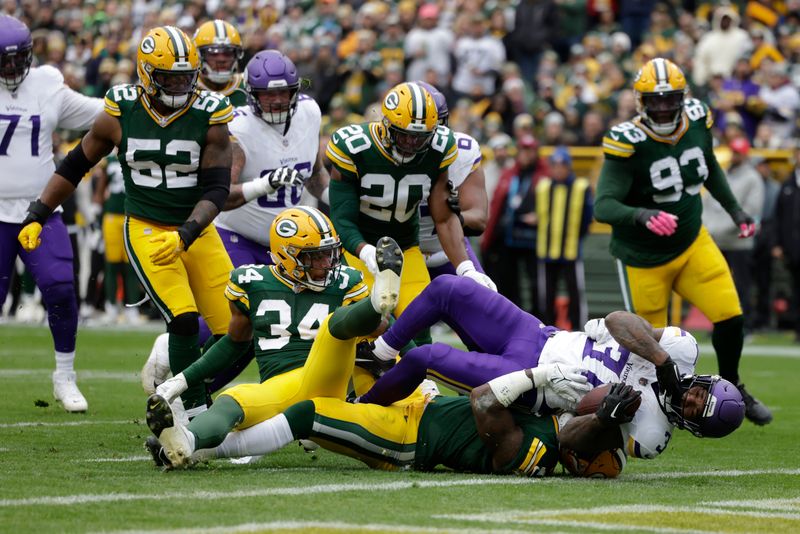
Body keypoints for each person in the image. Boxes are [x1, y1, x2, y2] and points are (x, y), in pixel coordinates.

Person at [18, 26, 240, 418]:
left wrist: (188, 232)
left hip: (196, 229)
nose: (179, 86)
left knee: (240, 329)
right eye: (169, 78)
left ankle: (177, 387)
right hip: (147, 229)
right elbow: (76, 165)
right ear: (146, 75)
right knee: (185, 320)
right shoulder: (122, 110)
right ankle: (192, 413)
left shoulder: (210, 112)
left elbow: (217, 189)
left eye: (186, 78)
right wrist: (37, 213)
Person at [354, 275, 746, 460]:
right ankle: (381, 354)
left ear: (693, 426)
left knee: (426, 357)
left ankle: (360, 409)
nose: (690, 397)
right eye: (700, 391)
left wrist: (604, 421)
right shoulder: (680, 351)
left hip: (530, 383)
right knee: (448, 288)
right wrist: (660, 363)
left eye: (694, 407)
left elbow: (571, 444)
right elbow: (617, 321)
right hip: (539, 335)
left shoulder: (651, 433)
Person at [144, 208, 404, 468]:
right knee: (232, 401)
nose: (327, 263)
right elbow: (234, 344)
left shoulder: (345, 281)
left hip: (330, 381)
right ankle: (187, 440)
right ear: (288, 256)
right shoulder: (253, 282)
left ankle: (375, 303)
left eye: (329, 253)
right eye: (316, 256)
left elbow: (384, 330)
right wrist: (182, 380)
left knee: (338, 325)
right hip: (279, 387)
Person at [593, 58, 772, 425]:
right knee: (652, 351)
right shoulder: (628, 140)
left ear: (682, 97)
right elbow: (603, 205)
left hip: (692, 243)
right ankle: (666, 407)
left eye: (668, 98)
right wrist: (641, 214)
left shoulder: (698, 118)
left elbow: (708, 166)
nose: (661, 108)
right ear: (641, 101)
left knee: (730, 317)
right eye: (653, 100)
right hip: (643, 259)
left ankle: (733, 384)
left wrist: (736, 211)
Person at [141, 50, 330, 395]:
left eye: (282, 92)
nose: (275, 101)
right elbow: (218, 193)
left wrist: (342, 207)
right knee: (237, 321)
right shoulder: (239, 126)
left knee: (262, 333)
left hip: (286, 245)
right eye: (267, 94)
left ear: (295, 91)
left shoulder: (309, 113)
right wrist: (265, 184)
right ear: (251, 95)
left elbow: (315, 175)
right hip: (235, 234)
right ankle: (172, 345)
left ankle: (193, 398)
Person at [156, 365, 562, 477]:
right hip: (416, 404)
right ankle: (190, 443)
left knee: (308, 414)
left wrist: (537, 374)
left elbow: (484, 400)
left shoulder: (537, 452)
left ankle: (196, 446)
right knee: (369, 362)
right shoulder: (549, 420)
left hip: (406, 439)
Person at [326, 82, 496, 335]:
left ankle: (421, 375)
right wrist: (365, 251)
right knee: (369, 328)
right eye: (403, 134)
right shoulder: (354, 146)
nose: (410, 143)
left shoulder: (441, 148)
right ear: (386, 125)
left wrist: (466, 269)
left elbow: (444, 217)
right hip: (358, 246)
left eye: (420, 137)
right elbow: (342, 218)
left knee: (419, 326)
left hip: (408, 247)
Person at [0, 15, 103, 412]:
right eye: (3, 61)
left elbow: (98, 114)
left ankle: (65, 376)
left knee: (60, 288)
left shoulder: (46, 84)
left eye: (16, 60)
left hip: (40, 211)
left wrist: (131, 104)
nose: (11, 69)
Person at [414, 81, 488, 279]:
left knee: (484, 303)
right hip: (397, 255)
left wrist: (455, 217)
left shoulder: (462, 151)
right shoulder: (375, 155)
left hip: (447, 253)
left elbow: (479, 219)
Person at [481, 135, 549, 314]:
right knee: (509, 283)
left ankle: (541, 320)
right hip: (509, 238)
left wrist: (541, 216)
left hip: (535, 240)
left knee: (537, 284)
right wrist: (488, 237)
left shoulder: (544, 175)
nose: (525, 154)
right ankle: (512, 318)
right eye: (523, 150)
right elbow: (497, 206)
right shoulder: (511, 174)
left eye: (529, 150)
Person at [702, 137, 763, 323]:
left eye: (738, 152)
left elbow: (752, 209)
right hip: (717, 240)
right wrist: (709, 227)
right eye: (733, 151)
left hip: (738, 241)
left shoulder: (752, 178)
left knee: (742, 285)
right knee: (719, 284)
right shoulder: (722, 173)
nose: (734, 155)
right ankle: (721, 322)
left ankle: (746, 324)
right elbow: (707, 202)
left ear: (745, 154)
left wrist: (718, 228)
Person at [535, 146, 593, 329]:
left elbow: (586, 219)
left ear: (569, 166)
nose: (558, 169)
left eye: (562, 165)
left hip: (571, 250)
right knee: (546, 295)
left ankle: (580, 331)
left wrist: (575, 238)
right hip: (546, 250)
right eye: (555, 165)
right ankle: (547, 331)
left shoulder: (581, 187)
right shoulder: (543, 187)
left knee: (575, 294)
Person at [773, 146, 800, 343]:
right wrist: (778, 243)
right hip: (793, 247)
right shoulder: (788, 184)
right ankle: (798, 329)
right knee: (796, 288)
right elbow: (778, 216)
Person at [193, 19, 247, 107]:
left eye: (228, 53)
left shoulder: (248, 86)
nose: (221, 59)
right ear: (198, 55)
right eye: (213, 53)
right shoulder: (187, 90)